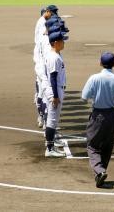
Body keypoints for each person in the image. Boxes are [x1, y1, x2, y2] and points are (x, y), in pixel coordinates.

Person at [81, 52, 114, 188]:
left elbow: (84, 97)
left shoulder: (94, 78)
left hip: (98, 115)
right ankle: (100, 172)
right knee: (108, 145)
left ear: (100, 63)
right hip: (112, 115)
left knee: (92, 145)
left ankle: (100, 171)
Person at [43, 29, 68, 158]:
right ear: (56, 42)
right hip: (55, 89)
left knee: (52, 119)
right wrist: (55, 96)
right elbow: (53, 77)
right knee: (52, 120)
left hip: (55, 88)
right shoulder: (54, 57)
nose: (64, 43)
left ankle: (51, 144)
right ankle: (50, 148)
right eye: (62, 40)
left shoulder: (54, 55)